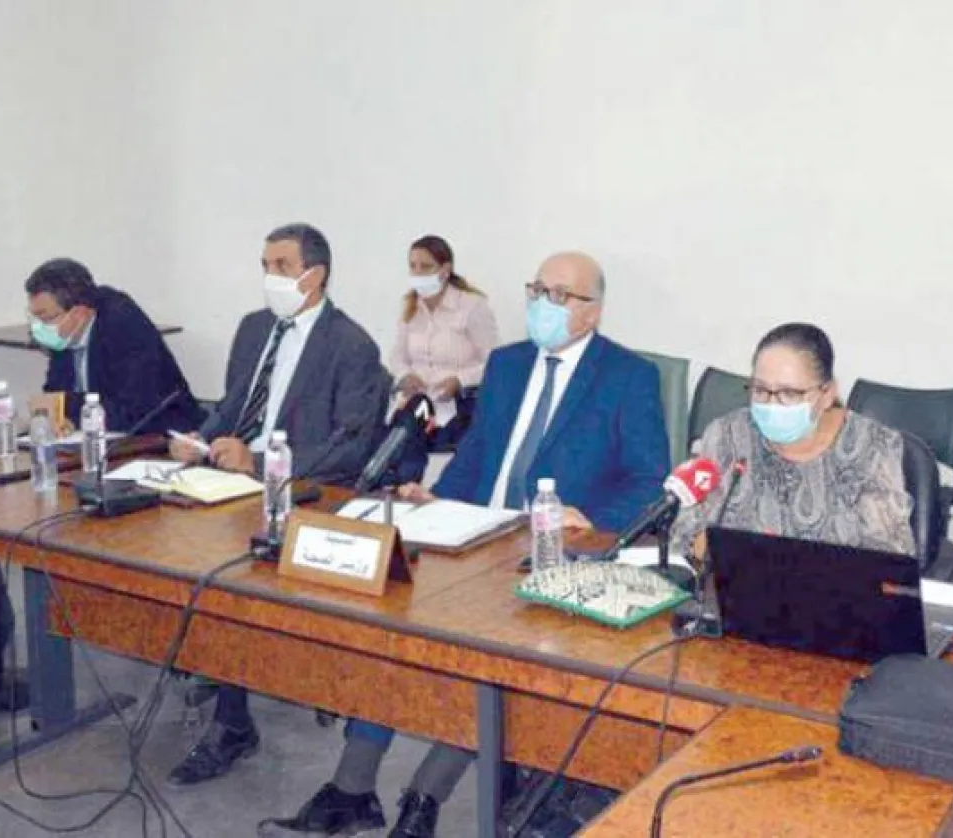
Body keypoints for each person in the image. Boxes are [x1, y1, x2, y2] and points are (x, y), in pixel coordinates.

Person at [254, 251, 669, 838]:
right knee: (395, 633)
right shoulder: (507, 364)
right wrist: (437, 500)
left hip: (545, 552)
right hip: (472, 534)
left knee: (479, 661)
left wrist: (591, 520)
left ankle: (422, 801)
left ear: (591, 313)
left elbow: (650, 479)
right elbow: (477, 453)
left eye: (557, 295)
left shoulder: (628, 376)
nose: (539, 305)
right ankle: (352, 788)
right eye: (535, 289)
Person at [166, 223, 391, 786]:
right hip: (233, 481)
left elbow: (350, 446)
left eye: (283, 267)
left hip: (301, 492)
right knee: (184, 561)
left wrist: (264, 464)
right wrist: (198, 438)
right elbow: (235, 405)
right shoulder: (252, 329)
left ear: (316, 276)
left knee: (229, 583)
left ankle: (230, 723)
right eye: (266, 264)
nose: (272, 277)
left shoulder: (352, 345)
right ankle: (225, 699)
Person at [671, 323, 916, 559]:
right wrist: (699, 545)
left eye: (789, 393)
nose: (771, 403)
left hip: (836, 597)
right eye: (760, 390)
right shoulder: (726, 435)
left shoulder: (871, 447)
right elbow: (683, 536)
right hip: (731, 594)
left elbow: (891, 557)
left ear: (827, 394)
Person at [26, 258, 205, 434]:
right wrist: (61, 418)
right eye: (35, 317)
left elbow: (132, 410)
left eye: (46, 318)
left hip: (163, 437)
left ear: (79, 313)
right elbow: (54, 393)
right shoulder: (63, 337)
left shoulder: (122, 323)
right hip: (102, 439)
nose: (39, 327)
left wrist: (65, 405)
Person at [389, 234, 498, 444]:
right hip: (416, 409)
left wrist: (460, 380)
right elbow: (397, 355)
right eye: (413, 266)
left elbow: (495, 361)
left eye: (426, 267)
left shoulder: (471, 306)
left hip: (459, 410)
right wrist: (405, 375)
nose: (418, 273)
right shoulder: (410, 307)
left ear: (445, 270)